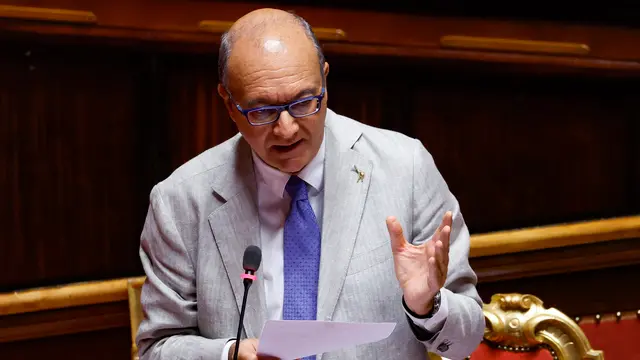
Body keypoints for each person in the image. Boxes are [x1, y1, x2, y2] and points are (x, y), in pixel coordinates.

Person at [136, 8, 484, 360]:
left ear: (325, 81)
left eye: (304, 102)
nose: (286, 129)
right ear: (229, 103)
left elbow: (466, 341)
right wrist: (228, 354)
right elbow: (156, 349)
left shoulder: (405, 168)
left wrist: (427, 306)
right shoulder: (180, 200)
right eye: (262, 111)